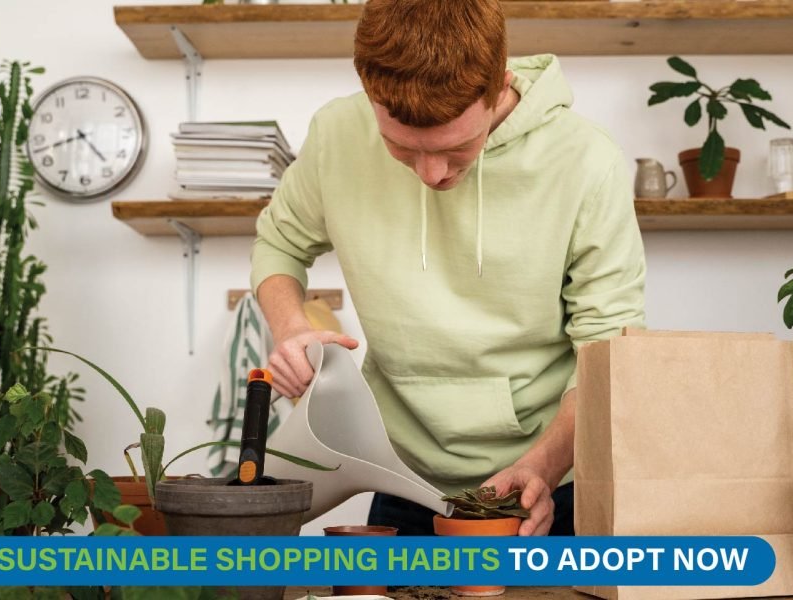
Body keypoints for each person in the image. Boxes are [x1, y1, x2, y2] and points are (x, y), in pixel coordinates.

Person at [250, 0, 645, 537]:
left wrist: (544, 468)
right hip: (397, 471)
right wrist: (290, 328)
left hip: (551, 478)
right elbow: (279, 243)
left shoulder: (587, 161)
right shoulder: (335, 134)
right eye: (400, 147)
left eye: (458, 148)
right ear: (369, 94)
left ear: (499, 86)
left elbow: (607, 349)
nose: (431, 174)